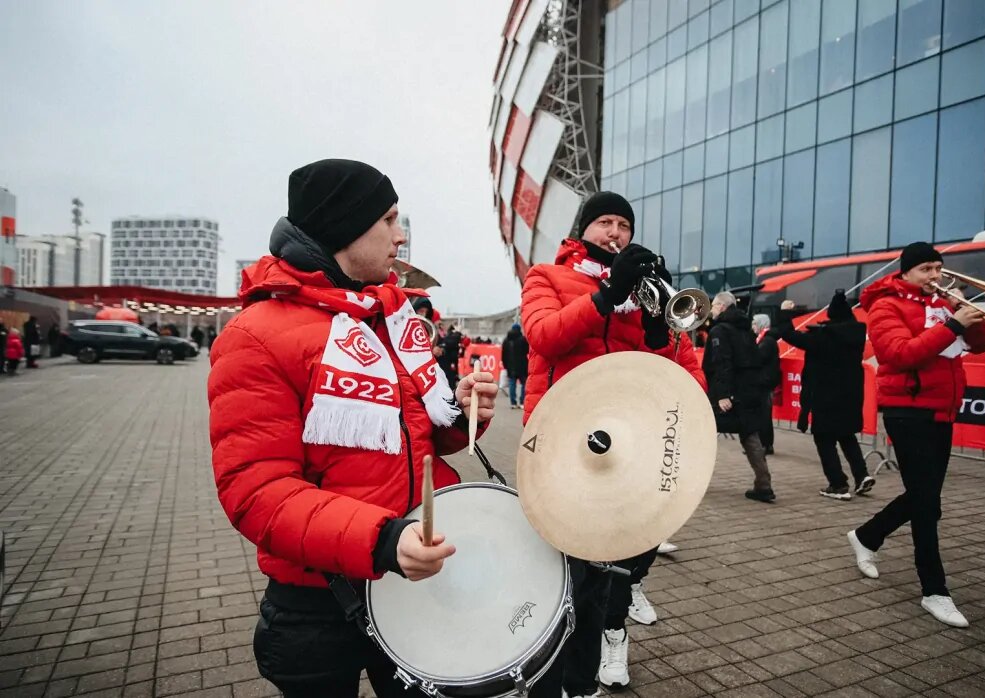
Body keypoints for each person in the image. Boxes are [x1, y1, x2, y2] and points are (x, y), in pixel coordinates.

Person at [208, 159, 502, 696]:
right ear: (345, 225)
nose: (401, 234)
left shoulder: (388, 318)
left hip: (410, 575)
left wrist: (461, 414)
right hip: (321, 602)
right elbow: (255, 491)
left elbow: (420, 440)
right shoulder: (254, 336)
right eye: (389, 219)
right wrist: (383, 540)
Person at [520, 191, 707, 697]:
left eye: (623, 224)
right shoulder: (546, 276)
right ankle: (545, 677)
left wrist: (654, 328)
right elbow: (542, 336)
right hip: (561, 440)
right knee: (563, 572)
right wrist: (605, 296)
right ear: (582, 229)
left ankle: (583, 680)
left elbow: (679, 374)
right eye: (604, 221)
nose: (615, 232)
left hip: (623, 445)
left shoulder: (645, 290)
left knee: (608, 568)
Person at [848, 242, 985, 628]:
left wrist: (970, 315)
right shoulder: (886, 305)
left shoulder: (945, 303)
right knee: (928, 505)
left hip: (942, 410)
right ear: (906, 272)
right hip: (905, 410)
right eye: (926, 269)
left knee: (923, 496)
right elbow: (899, 354)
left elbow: (984, 345)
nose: (935, 276)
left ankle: (867, 535)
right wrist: (953, 325)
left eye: (938, 268)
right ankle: (935, 591)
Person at [777, 291, 874, 500]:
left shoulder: (823, 336)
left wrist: (786, 313)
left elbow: (788, 334)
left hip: (825, 395)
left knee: (824, 439)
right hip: (850, 395)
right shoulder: (856, 335)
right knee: (847, 435)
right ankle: (862, 475)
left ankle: (838, 484)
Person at [703, 292, 774, 503]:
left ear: (723, 306)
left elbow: (721, 363)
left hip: (728, 394)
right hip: (748, 392)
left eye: (714, 305)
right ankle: (764, 485)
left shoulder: (719, 331)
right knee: (750, 435)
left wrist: (723, 395)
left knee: (704, 433)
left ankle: (694, 481)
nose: (712, 309)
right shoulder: (745, 329)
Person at [752, 314, 781, 455]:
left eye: (754, 324)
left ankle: (765, 444)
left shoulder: (767, 341)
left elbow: (758, 358)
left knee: (764, 415)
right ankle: (764, 444)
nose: (753, 327)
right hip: (763, 381)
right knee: (762, 414)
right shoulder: (763, 339)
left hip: (764, 382)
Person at [501, 323, 529, 409]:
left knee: (512, 384)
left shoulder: (506, 340)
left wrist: (505, 365)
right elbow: (527, 351)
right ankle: (522, 402)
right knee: (524, 384)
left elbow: (504, 355)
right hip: (522, 365)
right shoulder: (523, 339)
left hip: (510, 366)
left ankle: (513, 402)